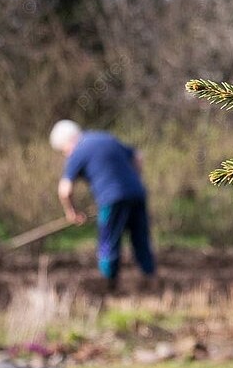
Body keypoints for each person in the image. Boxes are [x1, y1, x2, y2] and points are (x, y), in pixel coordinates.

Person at [49, 120, 156, 289]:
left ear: (67, 142)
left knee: (109, 240)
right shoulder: (106, 138)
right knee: (140, 237)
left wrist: (72, 212)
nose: (66, 154)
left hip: (110, 199)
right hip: (136, 193)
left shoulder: (78, 151)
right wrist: (134, 179)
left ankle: (109, 283)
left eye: (63, 150)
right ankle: (150, 277)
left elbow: (65, 190)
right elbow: (138, 157)